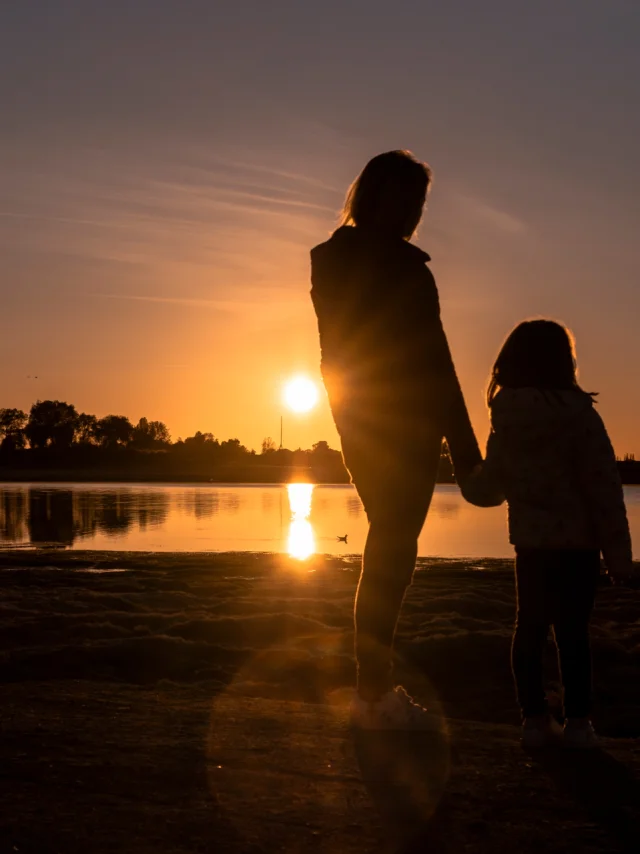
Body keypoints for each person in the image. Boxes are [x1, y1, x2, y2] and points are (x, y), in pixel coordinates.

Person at [310, 150, 481, 729]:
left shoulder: (379, 263)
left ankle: (372, 690)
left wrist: (463, 451)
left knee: (392, 550)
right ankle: (373, 693)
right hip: (380, 419)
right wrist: (466, 453)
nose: (413, 212)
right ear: (374, 195)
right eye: (406, 198)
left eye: (420, 203)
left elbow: (435, 359)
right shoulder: (358, 263)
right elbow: (419, 357)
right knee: (391, 551)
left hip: (383, 420)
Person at [462, 319, 633, 749]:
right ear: (563, 362)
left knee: (530, 628)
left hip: (532, 544)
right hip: (578, 546)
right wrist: (618, 556)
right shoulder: (580, 416)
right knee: (573, 633)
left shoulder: (508, 420)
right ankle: (578, 724)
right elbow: (604, 488)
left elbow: (491, 490)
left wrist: (465, 474)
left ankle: (534, 720)